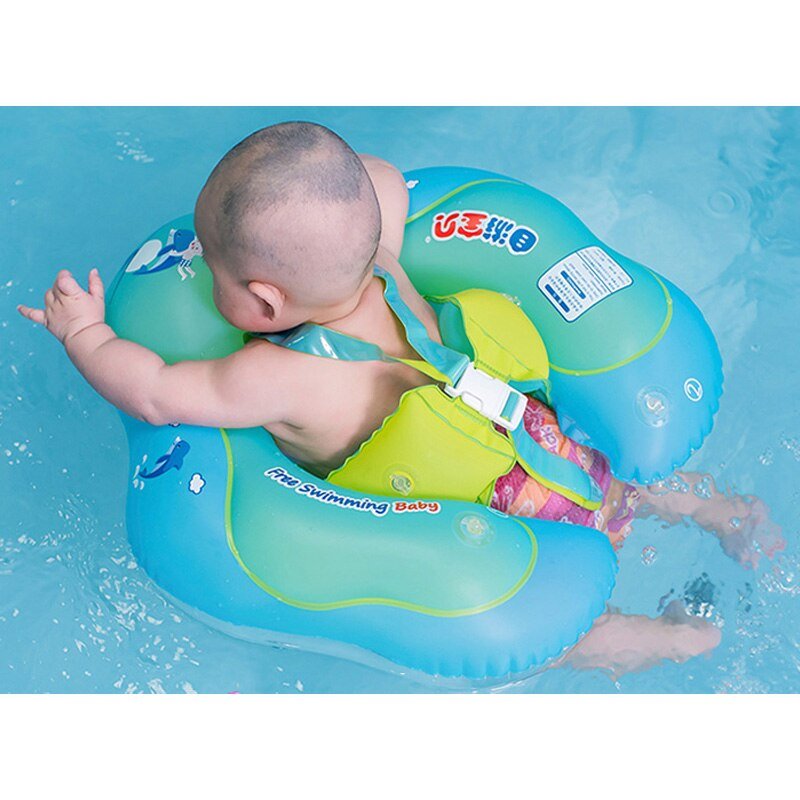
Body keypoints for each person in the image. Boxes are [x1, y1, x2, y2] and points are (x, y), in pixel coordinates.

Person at [17, 121, 783, 678]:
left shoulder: (274, 375)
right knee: (626, 491)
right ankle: (723, 512)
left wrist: (84, 333)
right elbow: (378, 177)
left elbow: (155, 396)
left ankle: (674, 640)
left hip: (496, 516)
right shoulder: (384, 261)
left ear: (263, 301)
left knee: (569, 634)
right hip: (546, 444)